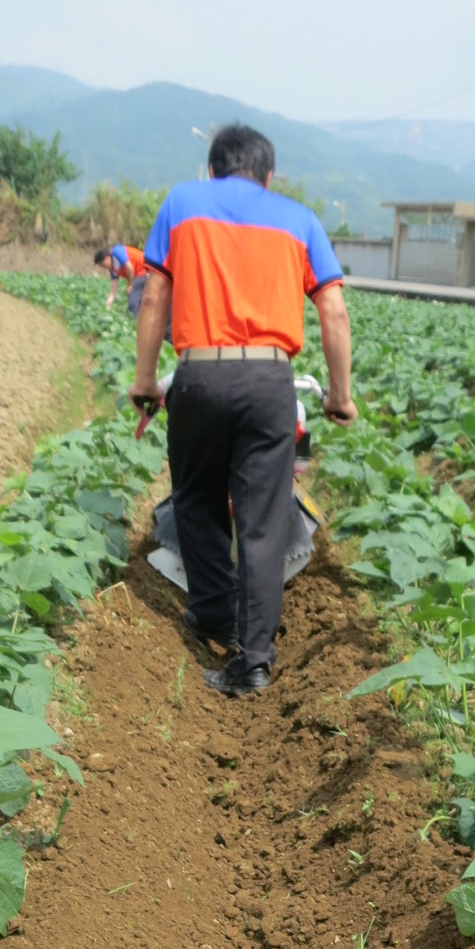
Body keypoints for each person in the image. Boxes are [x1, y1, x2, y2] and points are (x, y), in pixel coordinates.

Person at [129, 123, 356, 697]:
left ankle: (213, 616)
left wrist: (144, 381)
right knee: (260, 521)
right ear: (268, 176)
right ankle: (253, 662)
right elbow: (333, 310)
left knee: (197, 501)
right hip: (269, 378)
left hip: (199, 375)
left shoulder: (182, 203)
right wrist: (339, 395)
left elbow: (154, 294)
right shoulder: (299, 219)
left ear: (212, 169)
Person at [95, 242, 147, 310]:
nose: (104, 267)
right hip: (138, 275)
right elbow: (113, 290)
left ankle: (134, 317)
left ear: (107, 258)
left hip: (145, 268)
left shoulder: (116, 251)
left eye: (103, 265)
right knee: (136, 297)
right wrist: (106, 307)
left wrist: (130, 285)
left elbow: (129, 267)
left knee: (133, 297)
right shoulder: (113, 270)